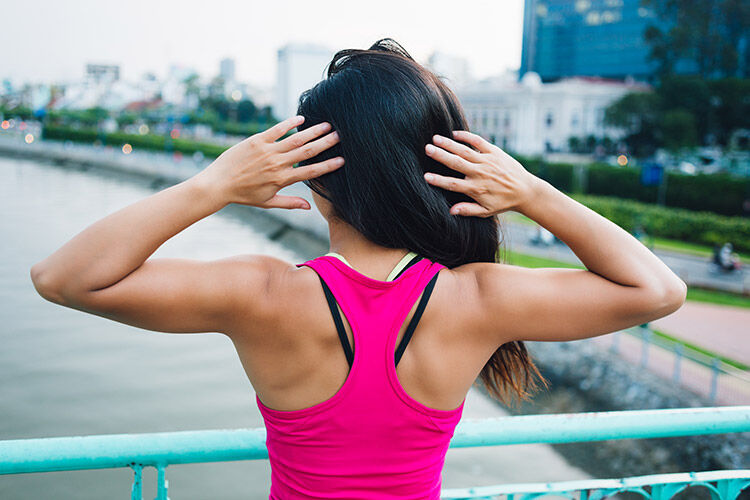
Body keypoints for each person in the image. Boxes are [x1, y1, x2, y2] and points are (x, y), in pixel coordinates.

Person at [29, 39, 687, 499]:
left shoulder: (264, 294)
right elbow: (658, 290)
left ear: (315, 180)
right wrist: (532, 192)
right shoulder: (477, 299)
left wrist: (214, 184)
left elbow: (65, 277)